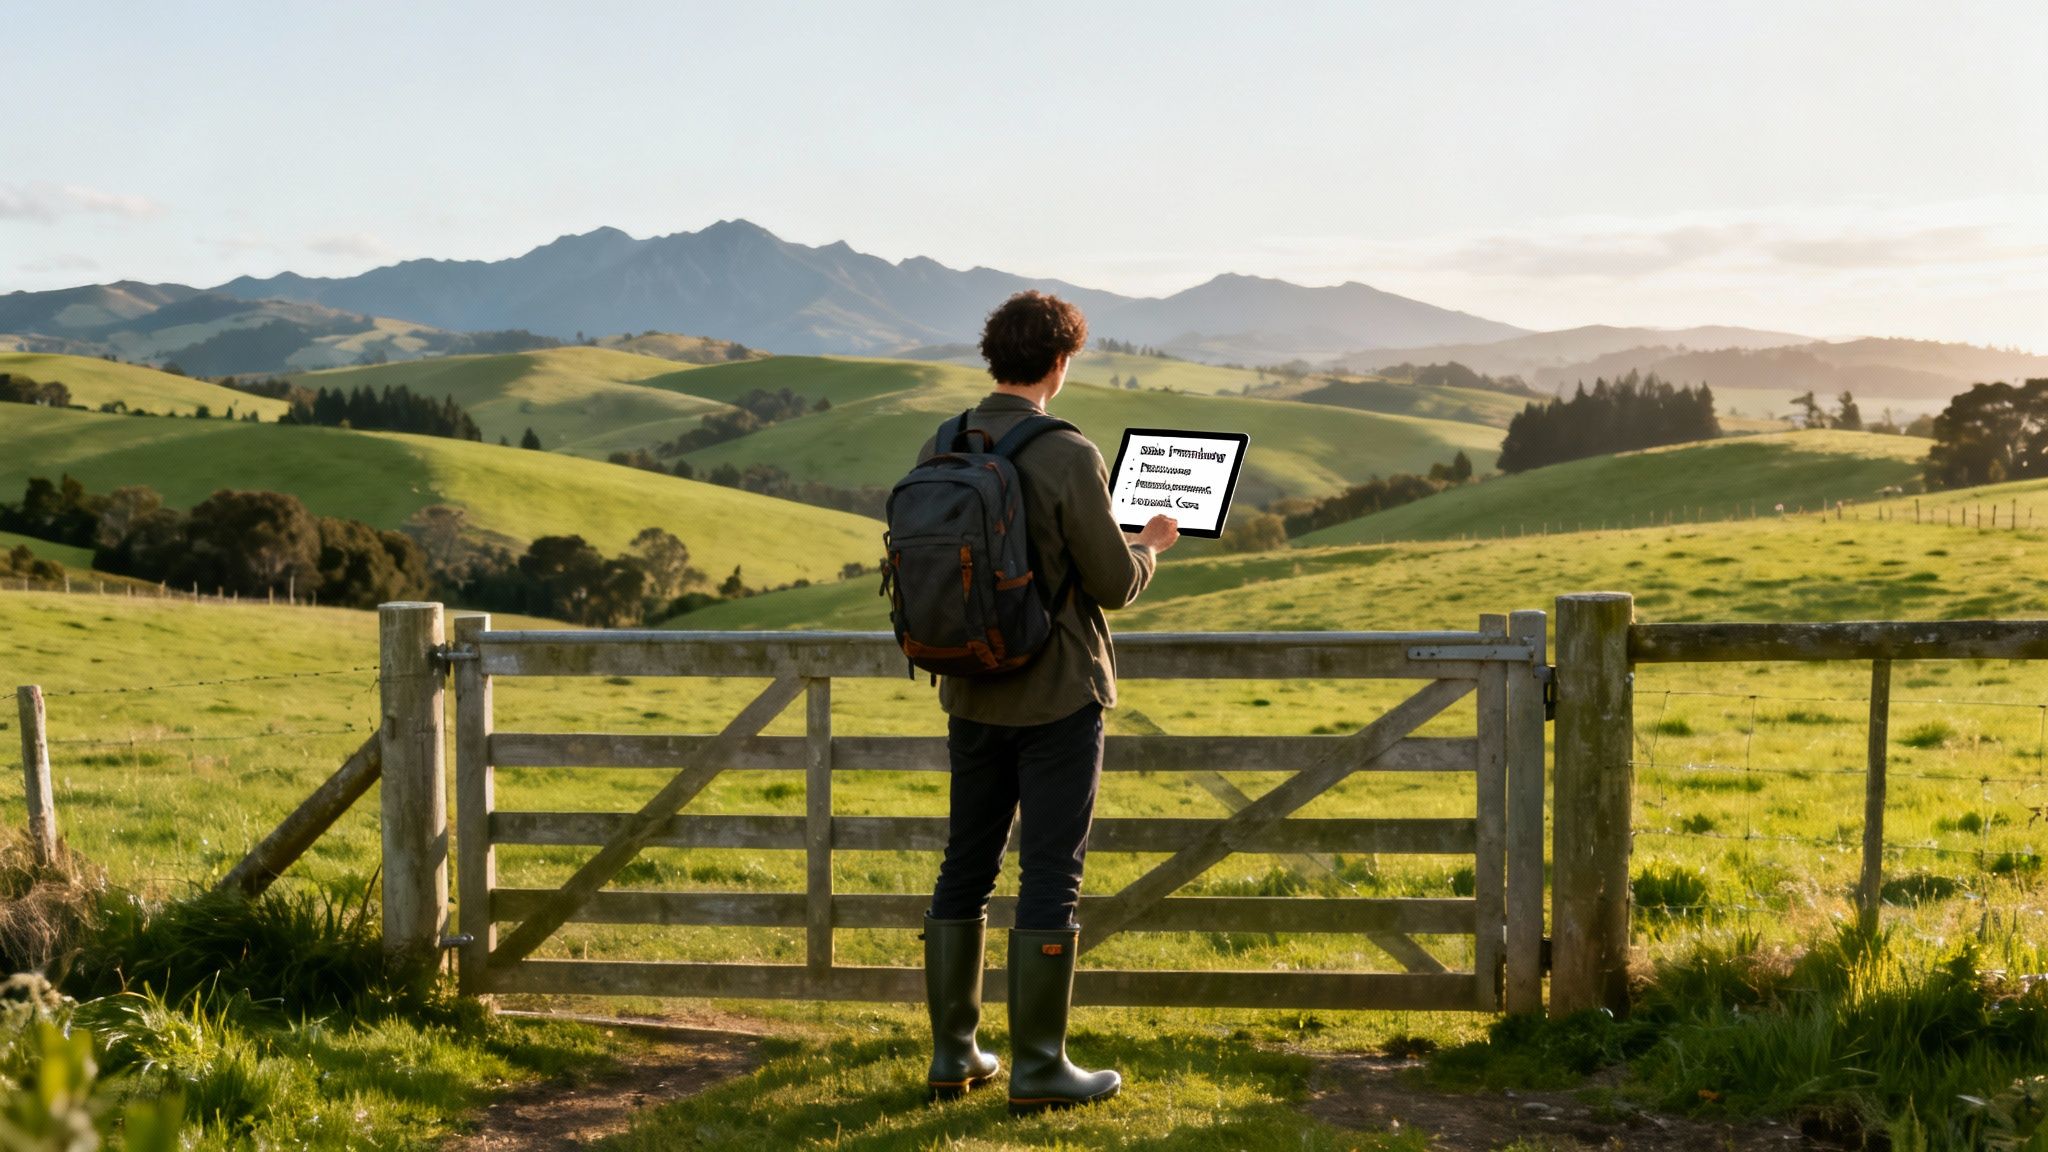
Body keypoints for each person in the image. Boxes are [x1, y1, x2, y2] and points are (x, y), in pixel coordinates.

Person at [916, 291, 1179, 1114]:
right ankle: (1038, 1066)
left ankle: (954, 1055)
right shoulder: (1069, 452)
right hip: (1059, 693)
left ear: (995, 358)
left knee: (967, 864)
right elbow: (1112, 583)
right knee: (1050, 875)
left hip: (969, 687)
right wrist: (1151, 546)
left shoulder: (946, 439)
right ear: (1060, 364)